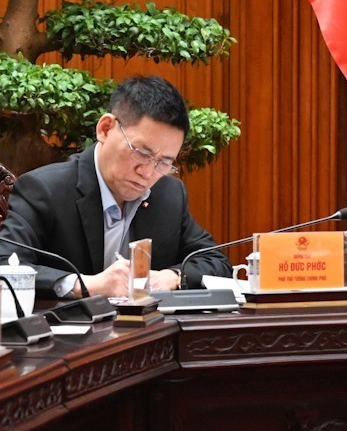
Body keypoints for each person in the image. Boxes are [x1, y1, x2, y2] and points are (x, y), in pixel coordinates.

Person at [1, 74, 227, 304]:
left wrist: (172, 277)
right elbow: (4, 264)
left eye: (164, 162)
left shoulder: (169, 194)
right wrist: (86, 285)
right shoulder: (45, 190)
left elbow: (215, 260)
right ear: (106, 129)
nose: (148, 173)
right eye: (141, 153)